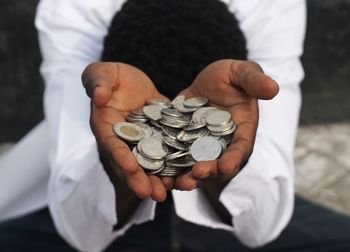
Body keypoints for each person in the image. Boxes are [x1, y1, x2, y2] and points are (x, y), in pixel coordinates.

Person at [0, 0, 323, 251]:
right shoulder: (78, 8)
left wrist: (223, 169)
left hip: (224, 205)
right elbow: (82, 233)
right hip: (109, 198)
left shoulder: (270, 7)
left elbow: (262, 224)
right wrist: (119, 171)